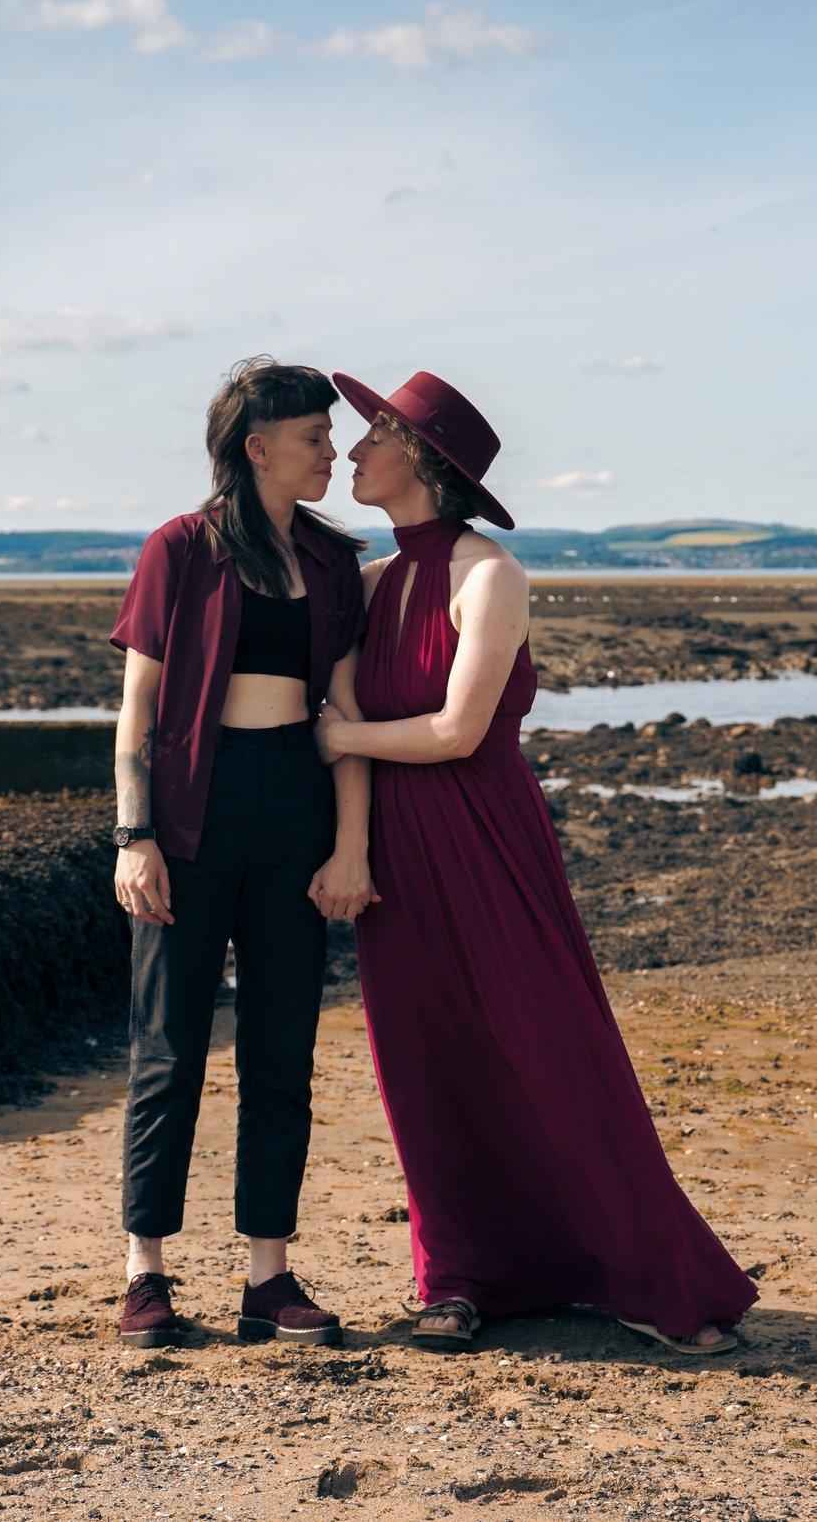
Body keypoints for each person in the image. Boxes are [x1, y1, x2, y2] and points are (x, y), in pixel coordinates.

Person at [315, 369, 758, 1356]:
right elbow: (346, 729)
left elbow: (456, 731)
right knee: (424, 1061)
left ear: (422, 461)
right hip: (398, 850)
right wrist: (349, 836)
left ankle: (647, 1274)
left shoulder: (490, 576)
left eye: (372, 434)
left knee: (552, 1049)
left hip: (486, 838)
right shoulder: (367, 584)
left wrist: (340, 735)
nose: (351, 451)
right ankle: (461, 1276)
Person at [107, 358, 379, 1349]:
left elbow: (343, 714)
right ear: (257, 446)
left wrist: (349, 845)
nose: (332, 450)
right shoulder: (178, 547)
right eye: (315, 434)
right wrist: (133, 836)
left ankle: (268, 1275)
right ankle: (146, 1272)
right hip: (189, 808)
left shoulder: (333, 562)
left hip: (294, 807)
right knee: (168, 1046)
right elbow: (136, 713)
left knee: (281, 1048)